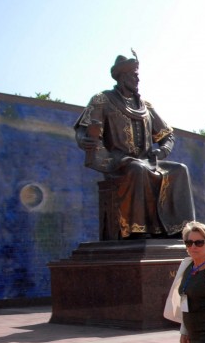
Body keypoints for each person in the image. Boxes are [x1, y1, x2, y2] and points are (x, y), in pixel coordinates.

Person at [74, 52, 195, 239]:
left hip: (148, 160)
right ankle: (138, 230)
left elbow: (167, 135)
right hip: (118, 162)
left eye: (137, 74)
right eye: (133, 74)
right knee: (137, 169)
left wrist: (163, 150)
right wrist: (84, 140)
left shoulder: (146, 106)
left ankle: (182, 229)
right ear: (122, 76)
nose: (137, 78)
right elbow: (83, 129)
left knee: (180, 169)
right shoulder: (102, 99)